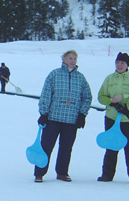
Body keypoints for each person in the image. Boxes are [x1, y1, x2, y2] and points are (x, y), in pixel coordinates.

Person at [34, 50, 92, 183]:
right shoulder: (54, 74)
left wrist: (82, 114)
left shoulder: (80, 78)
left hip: (71, 119)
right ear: (64, 59)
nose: (72, 61)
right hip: (53, 117)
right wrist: (44, 113)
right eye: (70, 58)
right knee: (46, 146)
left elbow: (87, 97)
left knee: (66, 147)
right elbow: (46, 94)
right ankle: (39, 173)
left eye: (75, 58)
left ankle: (62, 172)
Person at [97, 52, 129, 184]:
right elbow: (101, 97)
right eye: (118, 62)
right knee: (111, 146)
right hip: (112, 118)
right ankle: (107, 175)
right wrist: (111, 102)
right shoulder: (109, 79)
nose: (119, 65)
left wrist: (124, 97)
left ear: (127, 64)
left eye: (122, 63)